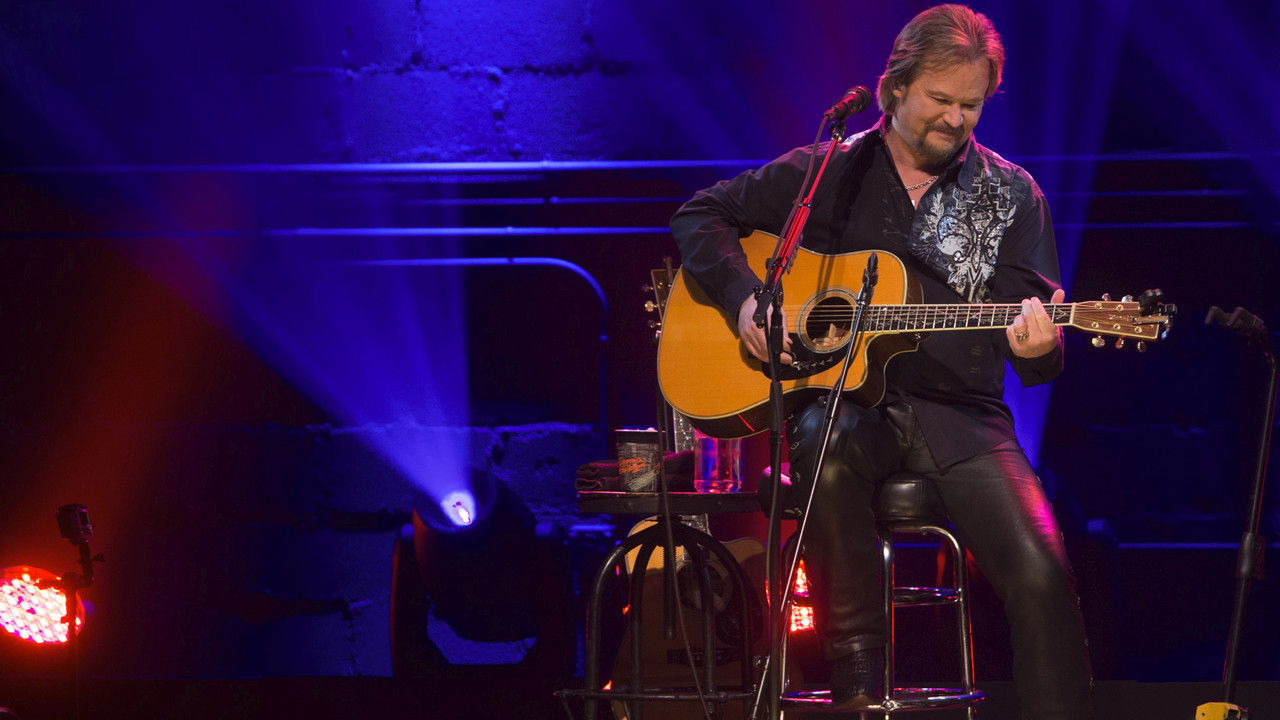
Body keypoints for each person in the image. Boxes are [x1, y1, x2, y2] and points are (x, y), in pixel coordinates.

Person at [669, 4, 1093, 718]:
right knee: (823, 446)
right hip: (845, 411)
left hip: (963, 418)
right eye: (941, 100)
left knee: (1043, 574)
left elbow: (1033, 346)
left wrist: (1041, 348)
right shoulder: (828, 173)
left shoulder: (1012, 196)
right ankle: (858, 688)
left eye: (972, 105)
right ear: (894, 89)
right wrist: (746, 303)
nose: (957, 121)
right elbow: (698, 216)